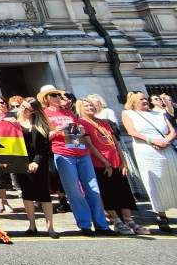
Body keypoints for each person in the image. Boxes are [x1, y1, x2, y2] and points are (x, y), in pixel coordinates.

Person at [38, 85, 113, 236]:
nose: (58, 98)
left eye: (59, 95)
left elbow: (76, 131)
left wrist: (81, 130)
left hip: (82, 151)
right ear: (46, 99)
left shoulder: (69, 113)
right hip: (63, 153)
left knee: (93, 189)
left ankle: (101, 224)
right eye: (54, 95)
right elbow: (44, 136)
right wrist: (56, 131)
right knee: (74, 190)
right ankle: (85, 224)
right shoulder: (44, 114)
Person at [77, 97, 143, 235]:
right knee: (108, 191)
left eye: (91, 105)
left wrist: (123, 161)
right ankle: (117, 220)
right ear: (80, 108)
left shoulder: (103, 122)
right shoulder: (82, 122)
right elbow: (89, 144)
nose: (90, 108)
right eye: (86, 106)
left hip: (116, 160)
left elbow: (115, 141)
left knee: (123, 190)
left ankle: (129, 220)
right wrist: (104, 161)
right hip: (100, 163)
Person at [121, 91, 177, 233]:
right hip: (147, 150)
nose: (145, 101)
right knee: (155, 181)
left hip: (166, 148)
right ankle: (162, 216)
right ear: (133, 102)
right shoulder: (128, 114)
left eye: (146, 98)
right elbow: (132, 132)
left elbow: (173, 131)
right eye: (141, 99)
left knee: (174, 178)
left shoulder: (158, 114)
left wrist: (165, 141)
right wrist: (152, 140)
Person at [11, 97, 59, 238]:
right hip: (22, 161)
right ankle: (32, 225)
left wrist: (37, 161)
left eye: (27, 109)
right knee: (27, 194)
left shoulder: (40, 123)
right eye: (22, 106)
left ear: (34, 111)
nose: (23, 110)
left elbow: (44, 147)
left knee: (44, 194)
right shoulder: (13, 119)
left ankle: (50, 227)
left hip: (39, 161)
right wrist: (9, 124)